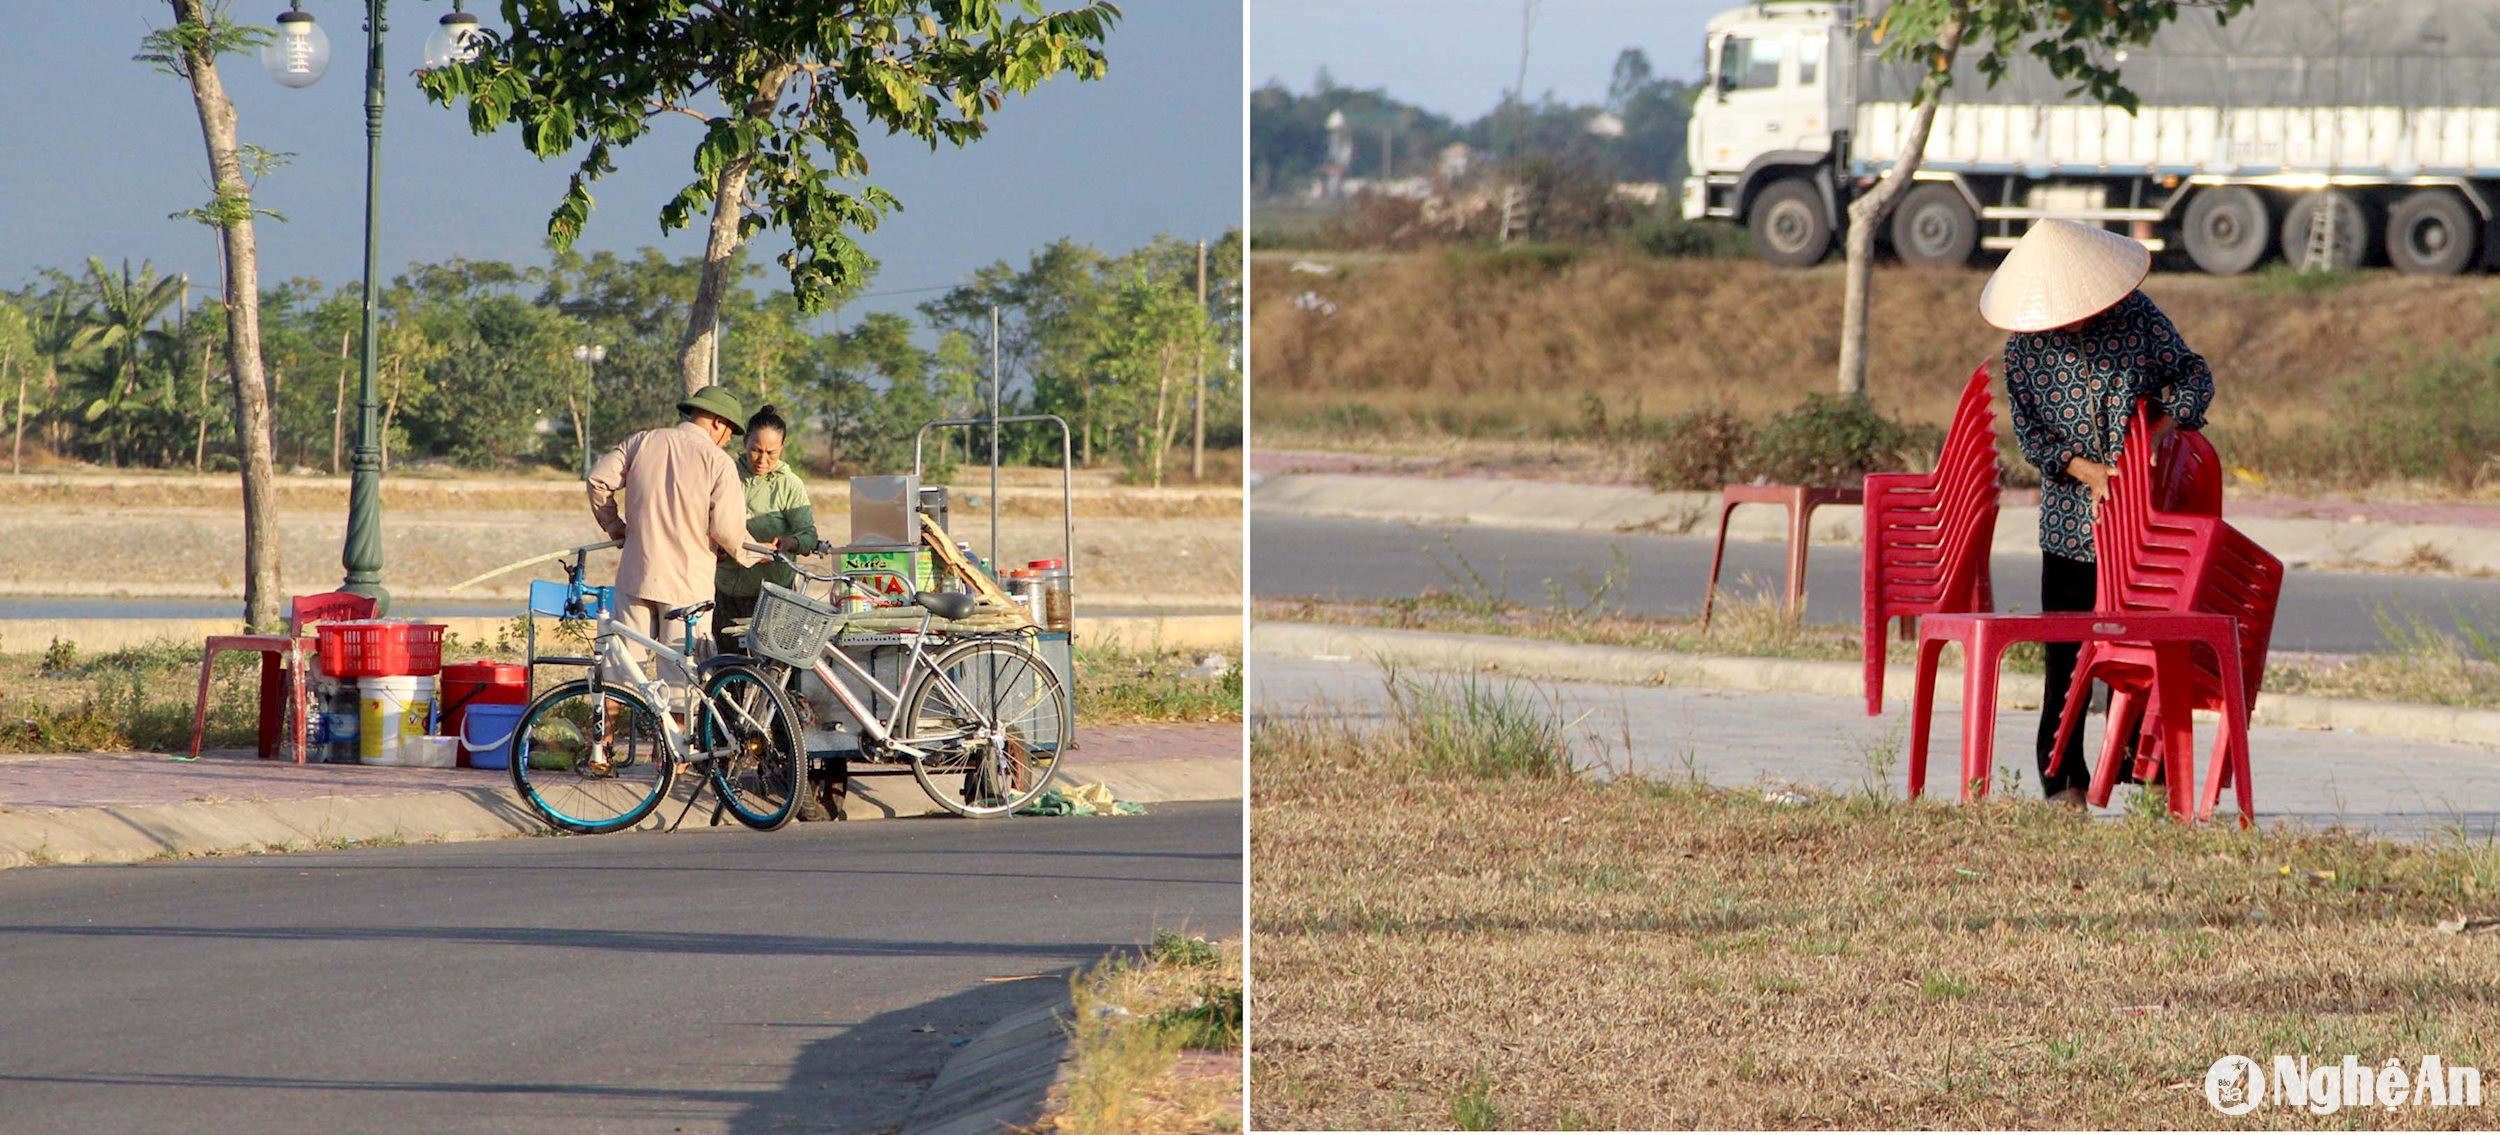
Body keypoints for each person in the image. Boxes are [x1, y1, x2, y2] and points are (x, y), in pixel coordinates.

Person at [1983, 219, 2215, 808]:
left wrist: (2152, 441)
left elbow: (2193, 377)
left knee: (2142, 650)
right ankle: (2063, 780)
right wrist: (2089, 473)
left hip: (2145, 521)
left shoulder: (2137, 317)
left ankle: (2148, 771)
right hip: (2068, 524)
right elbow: (2034, 440)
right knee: (2066, 656)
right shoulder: (2024, 350)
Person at [585, 384, 767, 712]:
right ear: (716, 422)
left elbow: (598, 480)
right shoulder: (718, 462)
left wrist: (616, 528)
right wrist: (756, 553)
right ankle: (674, 757)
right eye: (730, 431)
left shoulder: (641, 441)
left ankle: (603, 747)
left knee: (621, 667)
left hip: (636, 575)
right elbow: (727, 531)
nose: (728, 439)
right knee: (681, 674)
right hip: (687, 586)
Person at [712, 404, 821, 657]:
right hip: (726, 590)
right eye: (755, 450)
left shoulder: (789, 485)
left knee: (774, 667)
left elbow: (808, 535)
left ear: (782, 447)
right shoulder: (724, 474)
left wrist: (788, 543)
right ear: (745, 442)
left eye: (771, 453)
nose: (762, 460)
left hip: (774, 595)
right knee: (730, 666)